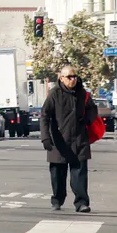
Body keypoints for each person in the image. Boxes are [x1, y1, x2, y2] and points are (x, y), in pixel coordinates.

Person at [41, 64, 97, 212]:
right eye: (70, 77)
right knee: (57, 175)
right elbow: (45, 115)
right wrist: (45, 138)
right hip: (58, 141)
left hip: (79, 140)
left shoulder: (82, 93)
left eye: (75, 76)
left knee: (80, 174)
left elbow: (92, 109)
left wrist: (87, 120)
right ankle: (57, 201)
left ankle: (82, 203)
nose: (73, 80)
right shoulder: (54, 94)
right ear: (61, 78)